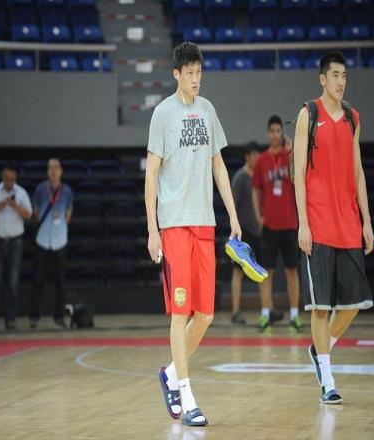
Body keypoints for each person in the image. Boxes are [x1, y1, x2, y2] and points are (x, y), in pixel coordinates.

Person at [145, 42, 241, 426]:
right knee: (180, 311)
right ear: (176, 75)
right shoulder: (162, 114)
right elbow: (151, 174)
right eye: (189, 73)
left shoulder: (208, 110)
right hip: (173, 226)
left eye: (199, 72)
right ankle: (187, 397)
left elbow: (219, 166)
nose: (196, 79)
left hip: (204, 223)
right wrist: (152, 230)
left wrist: (233, 214)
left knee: (206, 314)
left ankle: (170, 374)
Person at [293, 51, 374, 404]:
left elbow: (358, 172)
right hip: (318, 223)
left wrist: (367, 220)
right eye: (336, 75)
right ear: (323, 79)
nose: (341, 82)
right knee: (320, 307)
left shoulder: (354, 118)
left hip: (348, 222)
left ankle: (320, 349)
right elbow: (298, 173)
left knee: (356, 302)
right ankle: (327, 380)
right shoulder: (308, 115)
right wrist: (303, 223)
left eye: (345, 76)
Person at [251, 115, 303, 333]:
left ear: (282, 133)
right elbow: (256, 190)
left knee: (292, 271)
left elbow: (301, 177)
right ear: (267, 134)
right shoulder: (261, 161)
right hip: (270, 225)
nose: (275, 134)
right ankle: (265, 315)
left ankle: (295, 316)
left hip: (290, 223)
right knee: (266, 272)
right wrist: (258, 216)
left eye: (278, 131)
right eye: (272, 131)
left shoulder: (290, 155)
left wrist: (293, 151)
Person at [0, 161, 32, 330]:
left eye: (12, 179)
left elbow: (29, 215)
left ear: (15, 179)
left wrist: (15, 206)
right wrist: (0, 206)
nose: (9, 182)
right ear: (2, 177)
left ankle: (10, 320)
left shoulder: (21, 193)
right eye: (6, 179)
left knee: (13, 283)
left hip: (16, 242)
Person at [30, 158, 73, 329]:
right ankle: (34, 316)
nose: (53, 170)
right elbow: (35, 213)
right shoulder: (40, 190)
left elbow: (68, 216)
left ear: (61, 170)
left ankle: (59, 317)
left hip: (59, 241)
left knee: (60, 282)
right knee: (38, 280)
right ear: (47, 171)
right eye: (50, 167)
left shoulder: (67, 191)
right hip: (42, 240)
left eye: (56, 167)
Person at [229, 143, 261, 325]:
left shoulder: (259, 175)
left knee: (261, 269)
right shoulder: (240, 177)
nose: (257, 158)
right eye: (254, 155)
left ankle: (267, 310)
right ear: (247, 157)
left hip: (258, 229)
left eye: (258, 155)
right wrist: (234, 227)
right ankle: (235, 311)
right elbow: (232, 202)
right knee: (238, 271)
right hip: (243, 231)